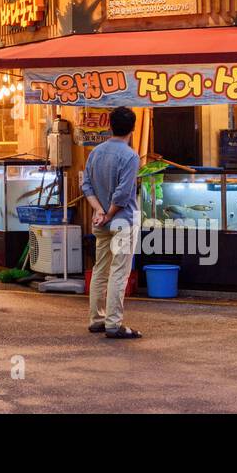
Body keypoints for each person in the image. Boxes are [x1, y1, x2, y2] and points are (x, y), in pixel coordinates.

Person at [81, 106, 143, 341]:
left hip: (101, 221)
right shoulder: (130, 155)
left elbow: (85, 185)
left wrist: (99, 210)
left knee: (100, 269)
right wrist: (109, 213)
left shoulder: (96, 152)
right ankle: (114, 324)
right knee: (119, 272)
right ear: (133, 128)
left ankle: (96, 320)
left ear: (110, 125)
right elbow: (123, 194)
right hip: (122, 222)